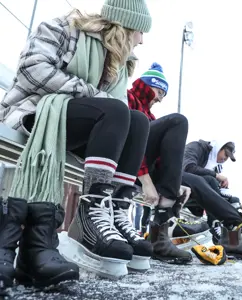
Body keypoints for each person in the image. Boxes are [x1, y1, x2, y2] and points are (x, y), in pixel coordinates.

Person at [0, 0, 154, 287]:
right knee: (117, 110)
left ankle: (115, 212)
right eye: (140, 32)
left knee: (139, 121)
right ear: (127, 25)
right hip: (37, 112)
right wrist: (91, 94)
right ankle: (90, 213)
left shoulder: (120, 63)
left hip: (81, 125)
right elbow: (32, 69)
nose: (142, 40)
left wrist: (100, 101)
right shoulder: (64, 29)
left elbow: (116, 112)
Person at [127, 62, 208, 264]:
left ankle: (164, 231)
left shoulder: (150, 116)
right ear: (147, 84)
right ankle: (167, 222)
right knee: (178, 121)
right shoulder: (126, 99)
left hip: (142, 168)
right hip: (126, 161)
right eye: (159, 92)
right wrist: (146, 181)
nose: (160, 99)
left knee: (195, 182)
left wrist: (173, 183)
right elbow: (130, 143)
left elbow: (158, 158)